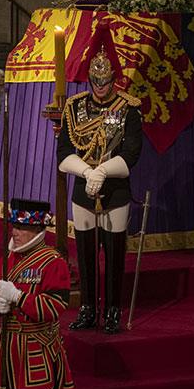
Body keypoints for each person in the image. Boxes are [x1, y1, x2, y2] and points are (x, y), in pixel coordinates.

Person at [58, 49, 142, 334]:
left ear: (114, 80)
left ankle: (113, 309)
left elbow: (132, 152)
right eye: (96, 81)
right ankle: (88, 308)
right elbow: (64, 151)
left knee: (115, 253)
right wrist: (88, 172)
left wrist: (104, 171)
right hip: (84, 187)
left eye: (105, 81)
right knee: (86, 253)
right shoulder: (74, 107)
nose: (100, 87)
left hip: (115, 188)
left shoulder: (128, 108)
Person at [0, 198, 75, 389]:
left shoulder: (53, 262)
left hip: (35, 349)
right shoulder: (8, 258)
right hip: (8, 347)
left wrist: (19, 298)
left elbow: (55, 306)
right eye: (15, 226)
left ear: (37, 230)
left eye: (22, 227)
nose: (15, 232)